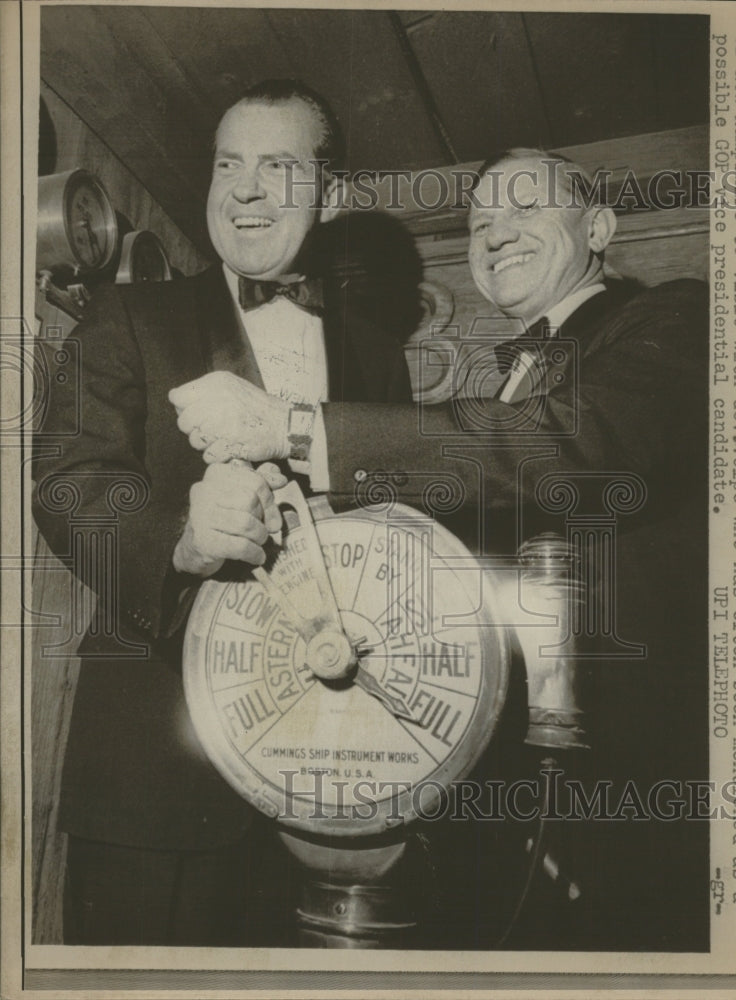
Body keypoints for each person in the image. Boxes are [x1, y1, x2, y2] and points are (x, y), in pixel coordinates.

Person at [33, 78, 412, 946]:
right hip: (154, 783)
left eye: (276, 166)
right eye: (227, 164)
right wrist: (179, 539)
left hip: (319, 791)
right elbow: (66, 480)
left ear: (333, 193)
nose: (243, 189)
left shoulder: (377, 361)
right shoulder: (126, 314)